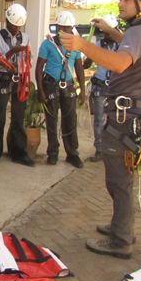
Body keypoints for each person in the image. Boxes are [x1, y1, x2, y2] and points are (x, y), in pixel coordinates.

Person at [60, 0, 141, 259]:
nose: (120, 3)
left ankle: (121, 240)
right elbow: (130, 51)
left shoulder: (139, 33)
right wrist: (111, 31)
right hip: (134, 114)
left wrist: (82, 46)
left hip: (125, 118)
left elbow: (119, 63)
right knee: (121, 179)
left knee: (118, 181)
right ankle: (121, 226)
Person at [0, 3, 36, 168]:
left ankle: (18, 152)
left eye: (18, 26)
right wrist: (12, 52)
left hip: (20, 78)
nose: (15, 29)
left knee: (18, 116)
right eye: (13, 25)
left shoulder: (24, 38)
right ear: (6, 21)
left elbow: (29, 60)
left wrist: (27, 60)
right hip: (3, 78)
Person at [35, 11, 85, 168]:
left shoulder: (75, 44)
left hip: (68, 85)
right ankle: (53, 153)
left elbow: (79, 67)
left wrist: (82, 90)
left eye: (68, 28)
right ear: (57, 27)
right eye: (62, 28)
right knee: (52, 119)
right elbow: (39, 67)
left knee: (70, 120)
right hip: (50, 84)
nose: (65, 31)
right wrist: (41, 90)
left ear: (72, 28)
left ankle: (72, 154)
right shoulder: (48, 44)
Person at [83, 14, 121, 162]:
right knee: (99, 119)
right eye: (105, 32)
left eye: (109, 32)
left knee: (116, 119)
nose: (107, 35)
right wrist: (88, 50)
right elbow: (86, 65)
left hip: (116, 86)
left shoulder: (122, 45)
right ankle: (100, 149)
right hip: (100, 85)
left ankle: (114, 149)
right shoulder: (99, 45)